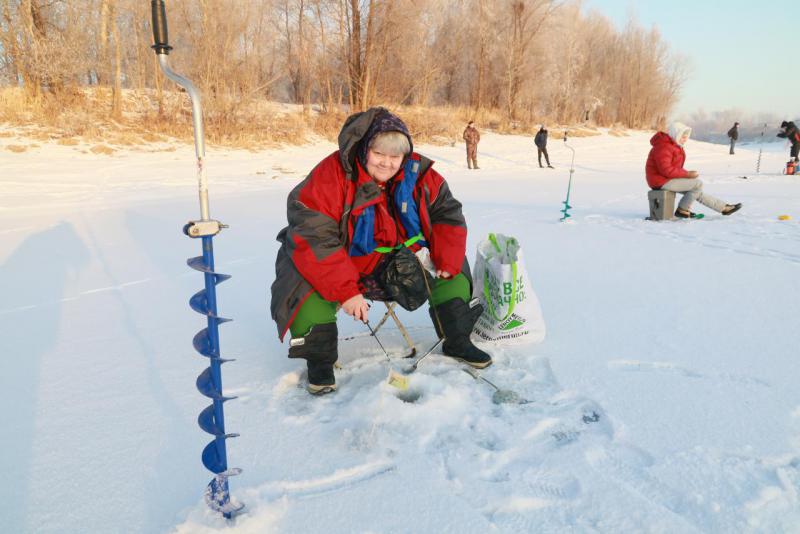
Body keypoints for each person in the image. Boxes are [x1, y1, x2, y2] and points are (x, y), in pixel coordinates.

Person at [270, 108, 492, 395]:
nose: (387, 163)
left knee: (453, 263)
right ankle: (320, 361)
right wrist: (346, 290)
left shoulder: (421, 175)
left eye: (395, 156)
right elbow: (314, 236)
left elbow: (447, 215)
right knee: (301, 273)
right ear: (365, 149)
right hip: (344, 263)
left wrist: (446, 260)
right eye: (379, 154)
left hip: (399, 260)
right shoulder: (331, 175)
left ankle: (457, 340)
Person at [645, 122, 742, 219]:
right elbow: (666, 170)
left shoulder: (672, 146)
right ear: (676, 134)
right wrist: (687, 174)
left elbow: (673, 169)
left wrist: (687, 175)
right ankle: (682, 210)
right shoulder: (664, 147)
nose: (685, 140)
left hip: (665, 179)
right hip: (660, 181)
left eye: (686, 137)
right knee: (697, 185)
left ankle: (724, 208)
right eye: (683, 137)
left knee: (695, 191)